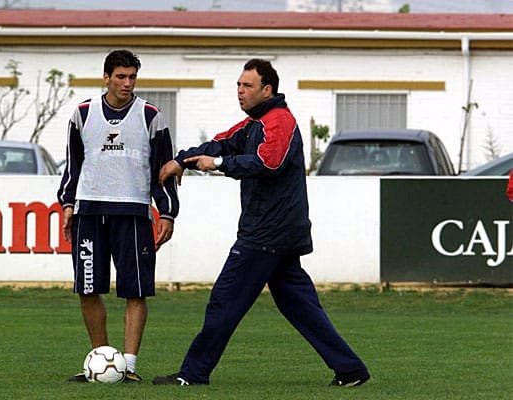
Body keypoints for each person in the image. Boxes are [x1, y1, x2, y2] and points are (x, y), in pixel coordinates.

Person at [153, 59, 369, 387]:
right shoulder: (253, 123)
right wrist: (182, 160)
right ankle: (351, 370)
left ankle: (192, 374)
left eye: (247, 86)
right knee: (301, 307)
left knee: (224, 301)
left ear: (267, 90)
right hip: (276, 232)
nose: (240, 91)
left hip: (267, 233)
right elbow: (220, 142)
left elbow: (269, 163)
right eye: (238, 85)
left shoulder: (278, 121)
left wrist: (219, 164)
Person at [57, 49, 179, 383]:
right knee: (88, 288)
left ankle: (129, 367)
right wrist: (67, 204)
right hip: (89, 212)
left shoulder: (151, 116)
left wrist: (167, 212)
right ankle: (101, 361)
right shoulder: (82, 114)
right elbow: (73, 165)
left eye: (132, 77)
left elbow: (163, 170)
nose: (127, 83)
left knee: (135, 291)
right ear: (106, 77)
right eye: (121, 76)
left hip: (134, 213)